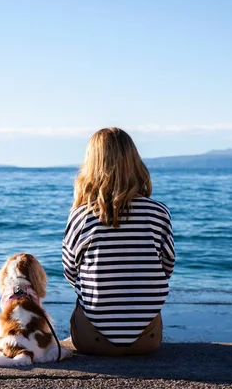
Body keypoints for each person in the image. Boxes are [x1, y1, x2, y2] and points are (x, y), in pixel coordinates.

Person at [62, 127, 175, 356]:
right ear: (134, 162)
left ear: (91, 166)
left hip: (91, 340)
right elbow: (167, 267)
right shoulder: (158, 212)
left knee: (83, 296)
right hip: (147, 340)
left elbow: (71, 272)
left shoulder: (82, 215)